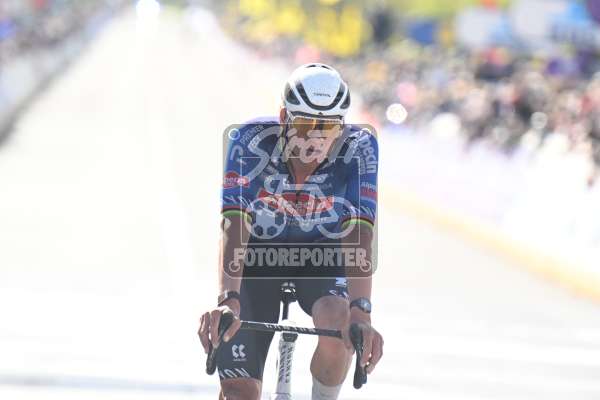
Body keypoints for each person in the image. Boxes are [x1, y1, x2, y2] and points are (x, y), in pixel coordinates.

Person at [198, 63, 383, 400]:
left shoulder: (360, 147)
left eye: (329, 127)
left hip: (322, 255)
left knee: (339, 321)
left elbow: (360, 231)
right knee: (239, 392)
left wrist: (361, 310)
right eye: (305, 124)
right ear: (284, 117)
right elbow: (235, 223)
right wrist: (228, 299)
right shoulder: (250, 141)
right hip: (257, 256)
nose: (316, 137)